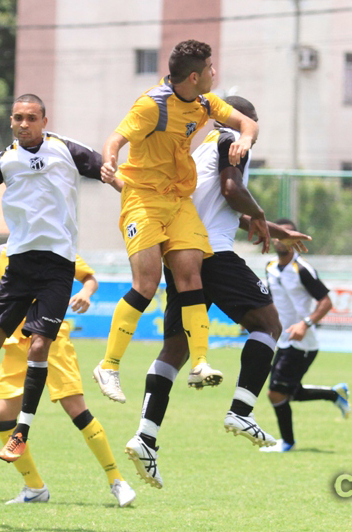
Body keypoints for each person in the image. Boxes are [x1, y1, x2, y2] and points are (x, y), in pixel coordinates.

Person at [124, 96, 311, 488]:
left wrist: (276, 231)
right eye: (252, 125)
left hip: (184, 254)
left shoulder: (202, 150)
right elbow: (231, 190)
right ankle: (242, 410)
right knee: (268, 324)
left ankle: (145, 436)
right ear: (246, 120)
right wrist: (262, 215)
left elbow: (226, 208)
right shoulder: (232, 141)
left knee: (173, 351)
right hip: (213, 254)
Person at [0, 93, 117, 463]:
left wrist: (126, 185)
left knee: (38, 346)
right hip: (17, 262)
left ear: (44, 121)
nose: (23, 123)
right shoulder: (5, 160)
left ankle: (22, 432)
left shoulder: (65, 150)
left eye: (30, 117)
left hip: (57, 264)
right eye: (17, 117)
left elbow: (104, 169)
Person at [94, 40, 261, 404]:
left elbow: (246, 122)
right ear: (195, 76)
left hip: (177, 200)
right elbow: (116, 138)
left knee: (191, 275)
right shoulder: (151, 105)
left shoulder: (204, 102)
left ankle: (199, 362)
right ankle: (108, 365)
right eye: (211, 68)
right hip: (143, 200)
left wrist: (244, 140)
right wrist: (110, 160)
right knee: (147, 283)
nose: (216, 74)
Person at [0, 238, 136, 507]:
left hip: (52, 340)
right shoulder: (2, 252)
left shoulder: (54, 246)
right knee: (2, 416)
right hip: (15, 344)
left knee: (77, 410)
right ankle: (35, 488)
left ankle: (117, 480)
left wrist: (86, 292)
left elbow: (89, 277)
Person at [260, 218, 350, 453]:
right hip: (283, 340)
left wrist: (305, 324)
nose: (282, 239)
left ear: (295, 239)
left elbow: (326, 301)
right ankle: (334, 394)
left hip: (302, 343)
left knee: (275, 393)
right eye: (278, 235)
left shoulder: (303, 269)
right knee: (289, 391)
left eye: (288, 235)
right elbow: (271, 300)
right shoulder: (270, 267)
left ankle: (287, 443)